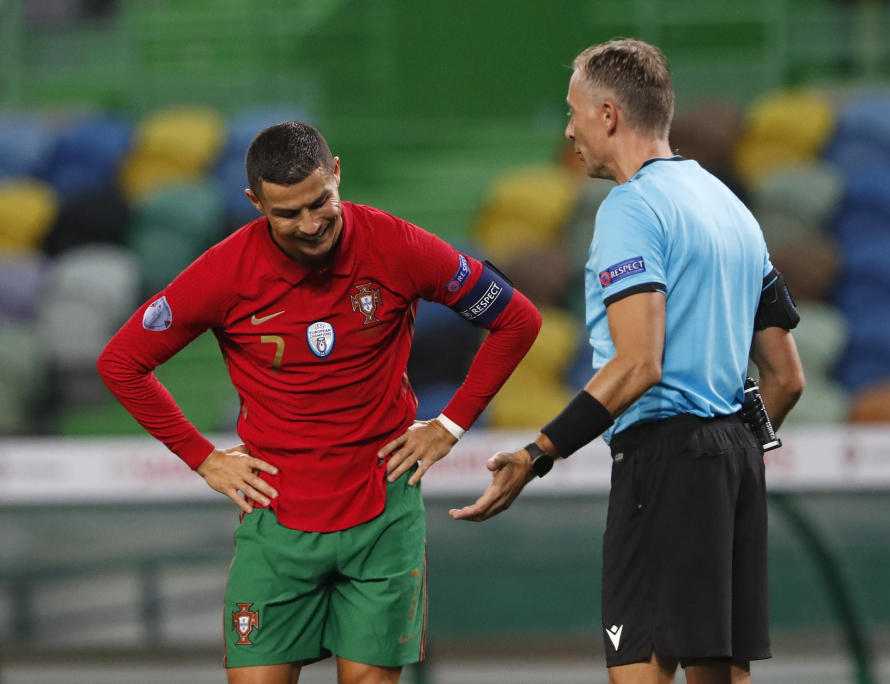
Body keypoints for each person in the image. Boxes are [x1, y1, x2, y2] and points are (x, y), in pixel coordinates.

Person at [98, 121, 541, 684]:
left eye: (320, 203)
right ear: (255, 202)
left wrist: (450, 424)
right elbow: (122, 362)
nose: (310, 225)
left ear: (336, 173)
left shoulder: (397, 245)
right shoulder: (224, 272)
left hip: (381, 513)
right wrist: (202, 457)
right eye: (287, 214)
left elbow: (516, 319)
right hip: (276, 518)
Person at [451, 39, 805, 684]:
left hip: (666, 461)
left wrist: (538, 454)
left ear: (608, 115)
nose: (569, 129)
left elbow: (639, 363)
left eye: (573, 111)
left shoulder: (631, 208)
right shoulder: (732, 208)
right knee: (721, 670)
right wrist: (728, 453)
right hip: (733, 460)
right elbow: (787, 377)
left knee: (640, 667)